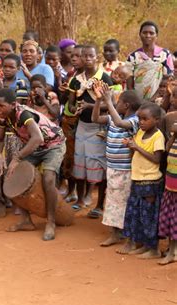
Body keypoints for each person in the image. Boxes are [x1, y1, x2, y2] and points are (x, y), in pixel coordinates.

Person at [0, 88, 66, 241]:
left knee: (48, 178)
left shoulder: (24, 114)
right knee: (12, 178)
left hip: (53, 145)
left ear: (13, 104)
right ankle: (26, 220)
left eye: (1, 105)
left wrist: (17, 158)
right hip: (33, 147)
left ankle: (51, 222)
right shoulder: (3, 117)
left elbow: (38, 138)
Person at [91, 86, 140, 247]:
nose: (114, 103)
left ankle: (120, 233)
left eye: (118, 102)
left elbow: (120, 123)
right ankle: (117, 233)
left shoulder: (134, 120)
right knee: (113, 200)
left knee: (120, 201)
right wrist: (99, 100)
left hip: (125, 169)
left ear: (126, 106)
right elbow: (95, 119)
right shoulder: (114, 116)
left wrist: (107, 100)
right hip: (112, 167)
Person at [68, 46, 114, 216]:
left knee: (98, 164)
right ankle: (80, 199)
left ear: (96, 58)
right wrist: (75, 109)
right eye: (83, 56)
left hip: (99, 127)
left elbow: (111, 105)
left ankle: (99, 205)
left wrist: (89, 105)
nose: (86, 59)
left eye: (90, 56)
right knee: (79, 163)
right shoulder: (76, 80)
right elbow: (71, 103)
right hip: (82, 126)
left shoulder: (105, 78)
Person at [121, 102, 165, 259]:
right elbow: (136, 152)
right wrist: (130, 146)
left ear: (157, 120)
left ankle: (153, 249)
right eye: (140, 119)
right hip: (137, 178)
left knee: (149, 215)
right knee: (137, 213)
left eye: (145, 119)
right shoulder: (140, 132)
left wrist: (137, 148)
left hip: (150, 181)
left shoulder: (158, 136)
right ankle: (142, 244)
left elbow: (156, 159)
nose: (141, 122)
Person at [59, 45, 84, 203]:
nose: (73, 58)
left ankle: (80, 194)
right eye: (72, 56)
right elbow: (65, 102)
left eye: (78, 56)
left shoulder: (87, 78)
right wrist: (64, 92)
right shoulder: (71, 75)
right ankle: (70, 190)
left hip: (79, 121)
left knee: (77, 158)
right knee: (67, 156)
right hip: (67, 120)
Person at [127, 21, 174, 99]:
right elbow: (129, 84)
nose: (148, 35)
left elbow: (168, 79)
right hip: (138, 100)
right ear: (140, 34)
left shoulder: (165, 54)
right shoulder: (133, 56)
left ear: (156, 36)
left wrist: (154, 98)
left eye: (151, 33)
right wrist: (137, 101)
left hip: (160, 98)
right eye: (144, 33)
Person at [158, 121, 177, 265]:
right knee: (171, 220)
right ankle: (172, 251)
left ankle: (172, 253)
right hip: (170, 185)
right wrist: (174, 135)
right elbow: (167, 148)